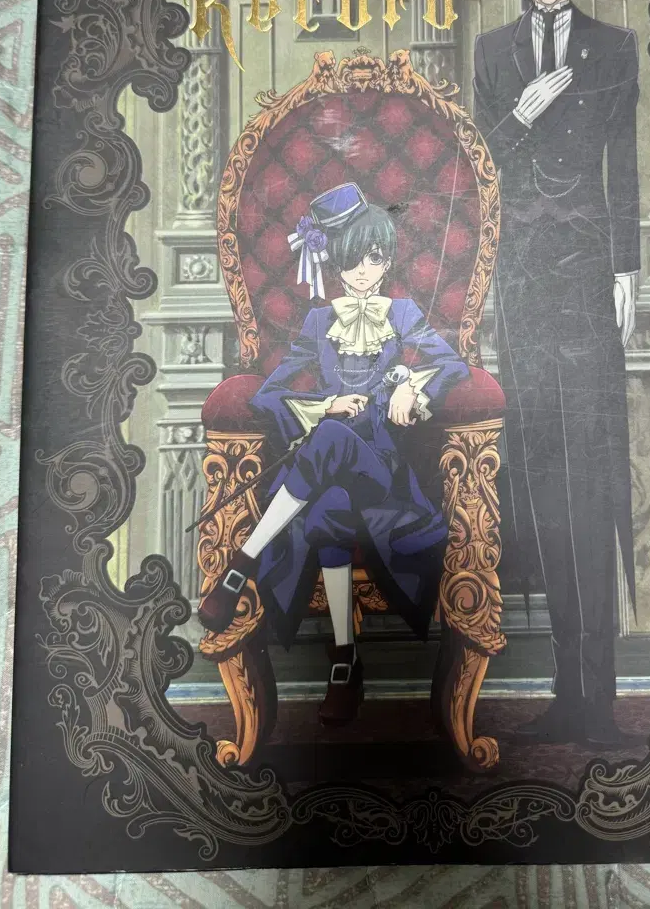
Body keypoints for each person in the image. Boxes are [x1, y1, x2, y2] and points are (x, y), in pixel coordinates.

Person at [197, 182, 469, 726]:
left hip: (383, 472)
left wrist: (409, 387)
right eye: (352, 260)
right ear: (334, 262)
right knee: (327, 510)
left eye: (374, 258)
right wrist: (326, 404)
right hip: (329, 481)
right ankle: (345, 661)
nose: (364, 270)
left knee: (332, 440)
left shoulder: (402, 312)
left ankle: (242, 563)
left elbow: (452, 365)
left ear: (387, 259)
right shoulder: (318, 322)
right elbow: (268, 394)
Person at [472, 0, 640, 745]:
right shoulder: (492, 52)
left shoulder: (613, 48)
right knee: (540, 476)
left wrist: (627, 269)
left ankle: (598, 700)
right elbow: (477, 165)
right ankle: (565, 694)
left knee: (592, 473)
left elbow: (625, 165)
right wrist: (521, 115)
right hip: (523, 281)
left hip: (586, 274)